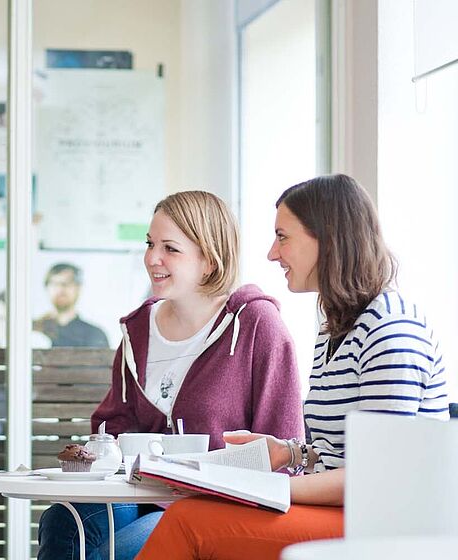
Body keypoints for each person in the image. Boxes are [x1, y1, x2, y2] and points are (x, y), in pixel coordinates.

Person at [137, 174, 450, 560]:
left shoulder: (391, 330)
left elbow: (380, 477)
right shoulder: (336, 327)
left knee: (189, 521)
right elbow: (342, 454)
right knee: (193, 515)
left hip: (384, 524)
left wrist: (251, 486)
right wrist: (288, 455)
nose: (272, 253)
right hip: (348, 512)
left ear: (328, 238)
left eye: (283, 237)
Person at [36, 191, 305, 560]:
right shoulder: (139, 330)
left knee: (115, 552)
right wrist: (103, 449)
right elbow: (112, 426)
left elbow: (285, 443)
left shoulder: (258, 326)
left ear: (208, 260)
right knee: (62, 521)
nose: (152, 258)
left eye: (170, 248)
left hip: (214, 504)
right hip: (138, 494)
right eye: (150, 244)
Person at [33, 263, 110, 348]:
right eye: (54, 283)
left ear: (78, 288)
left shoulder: (95, 335)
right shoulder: (35, 330)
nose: (60, 289)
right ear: (47, 287)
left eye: (67, 283)